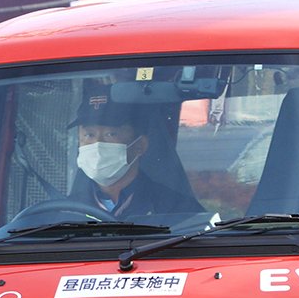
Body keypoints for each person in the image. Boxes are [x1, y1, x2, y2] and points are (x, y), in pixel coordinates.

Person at [67, 86, 202, 222]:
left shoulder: (176, 209)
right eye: (89, 135)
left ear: (139, 146)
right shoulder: (65, 211)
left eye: (110, 134)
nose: (97, 144)